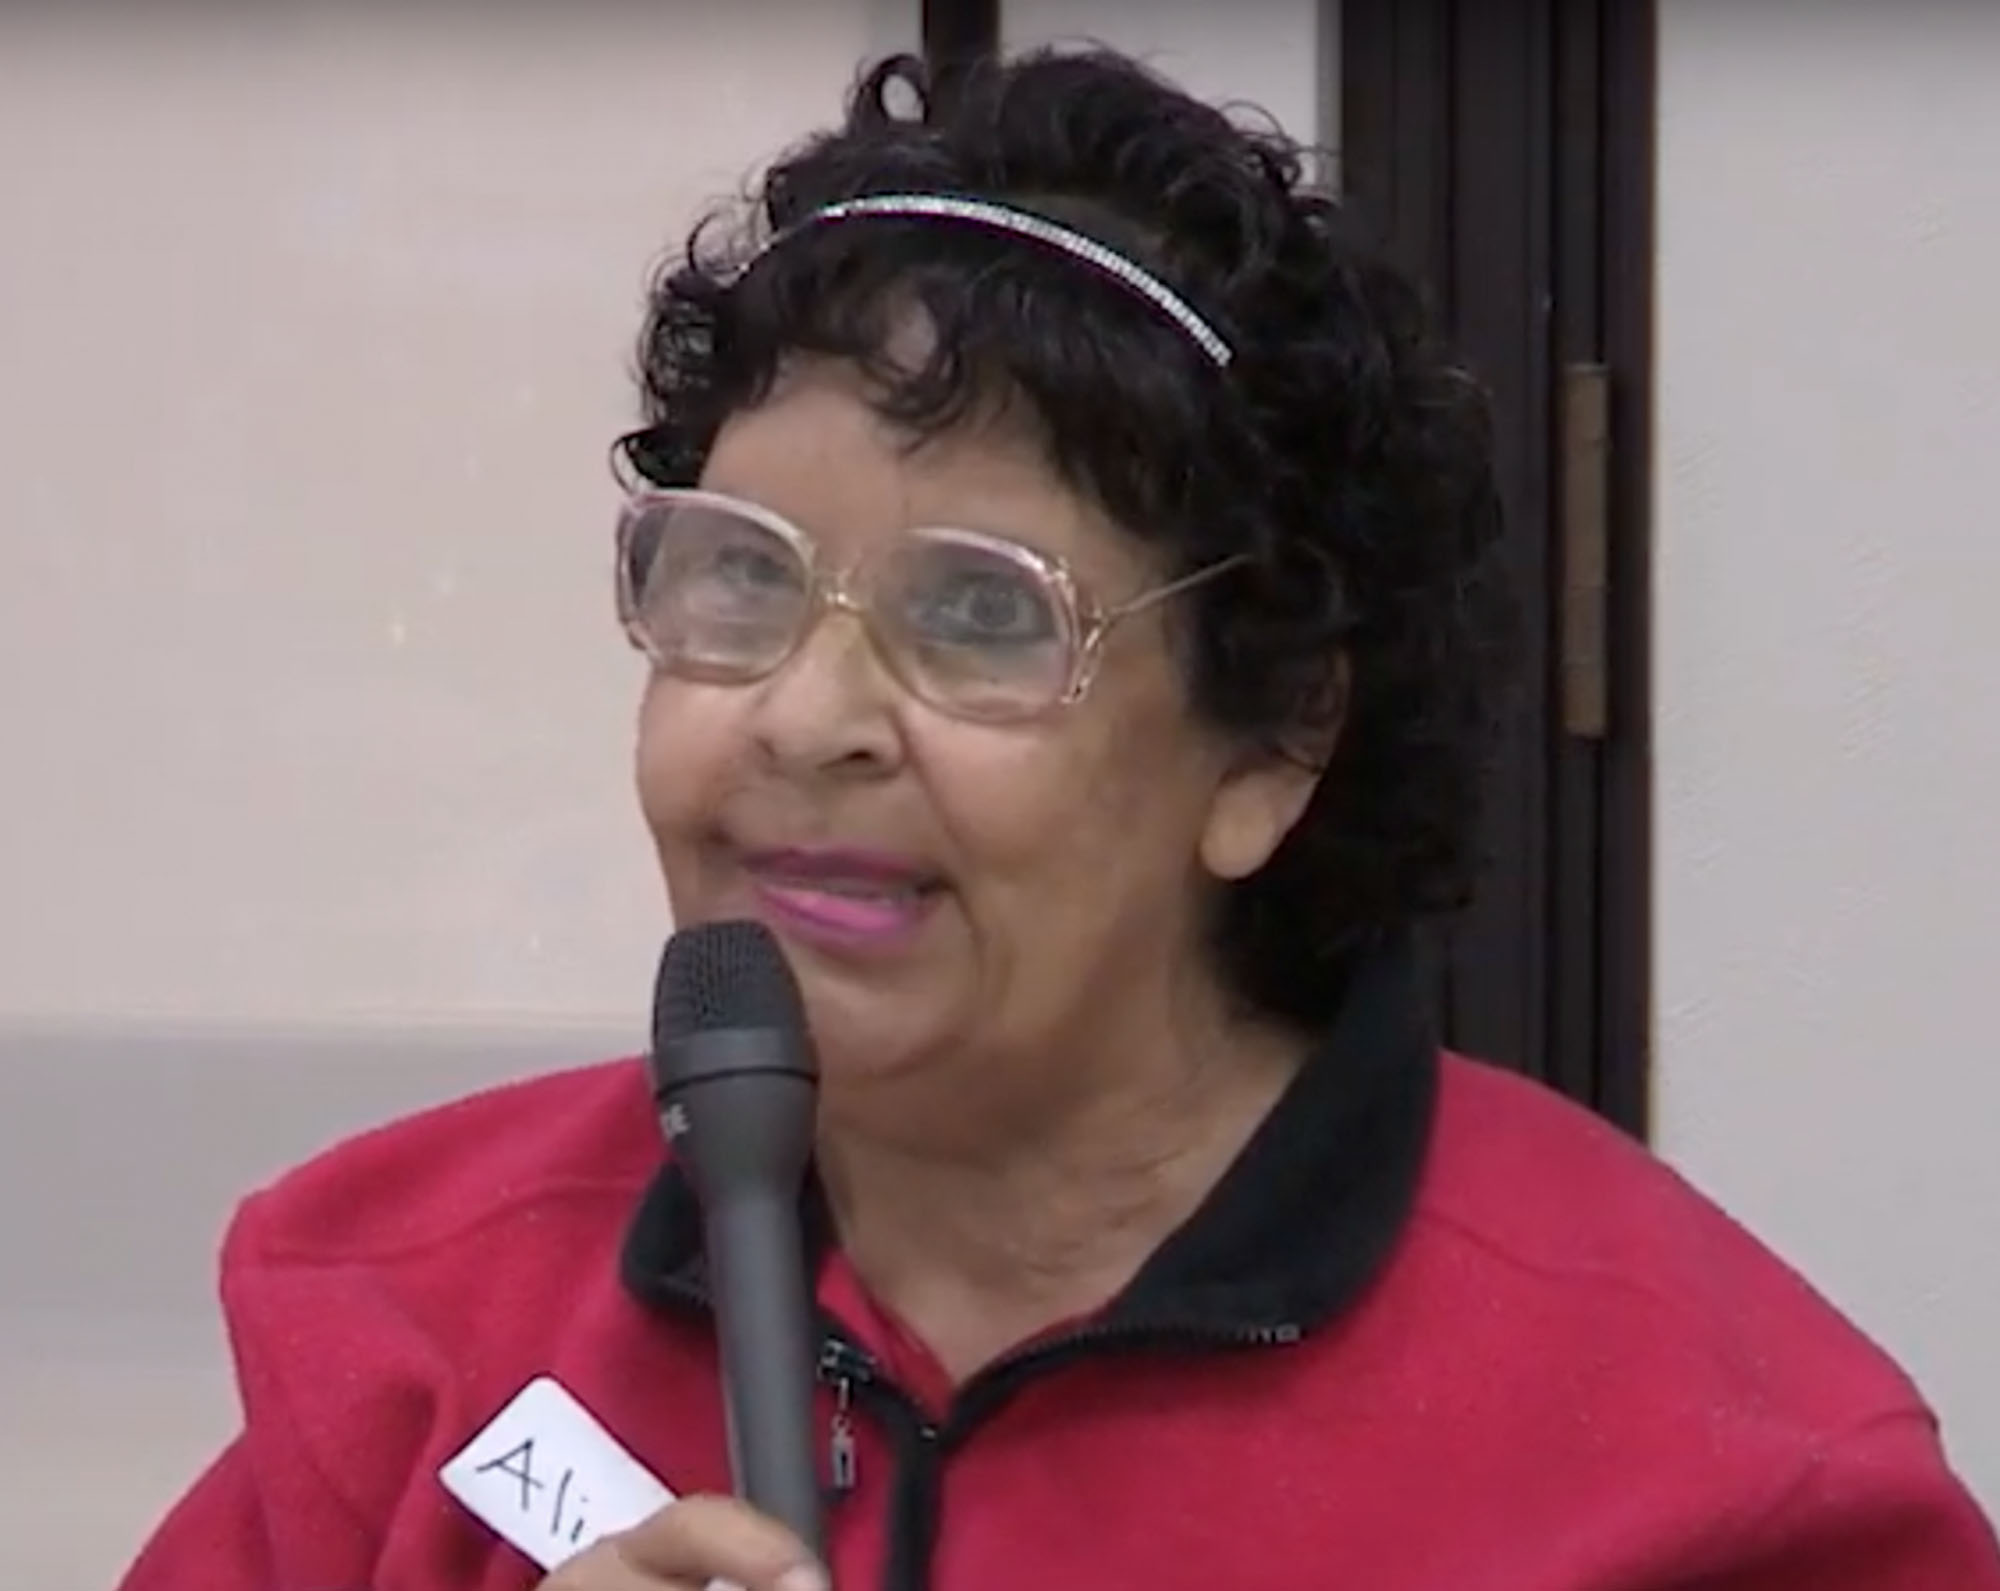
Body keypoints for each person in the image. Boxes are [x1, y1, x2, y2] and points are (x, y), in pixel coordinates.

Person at [117, 45, 1998, 1591]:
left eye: (980, 615)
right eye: (741, 584)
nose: (810, 717)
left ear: (1271, 744)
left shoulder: (1704, 1466)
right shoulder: (404, 1306)